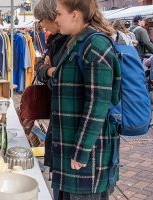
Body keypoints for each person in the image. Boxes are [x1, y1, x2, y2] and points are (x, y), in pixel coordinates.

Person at [54, 0, 121, 199]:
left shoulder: (95, 45)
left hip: (88, 158)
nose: (56, 19)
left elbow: (98, 104)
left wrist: (82, 150)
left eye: (59, 13)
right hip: (73, 150)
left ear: (75, 14)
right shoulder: (78, 42)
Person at [33, 0, 70, 199]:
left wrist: (48, 72)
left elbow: (61, 82)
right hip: (57, 118)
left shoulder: (74, 43)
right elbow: (40, 67)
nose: (41, 25)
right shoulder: (55, 41)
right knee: (58, 183)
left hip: (68, 130)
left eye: (42, 20)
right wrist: (47, 70)